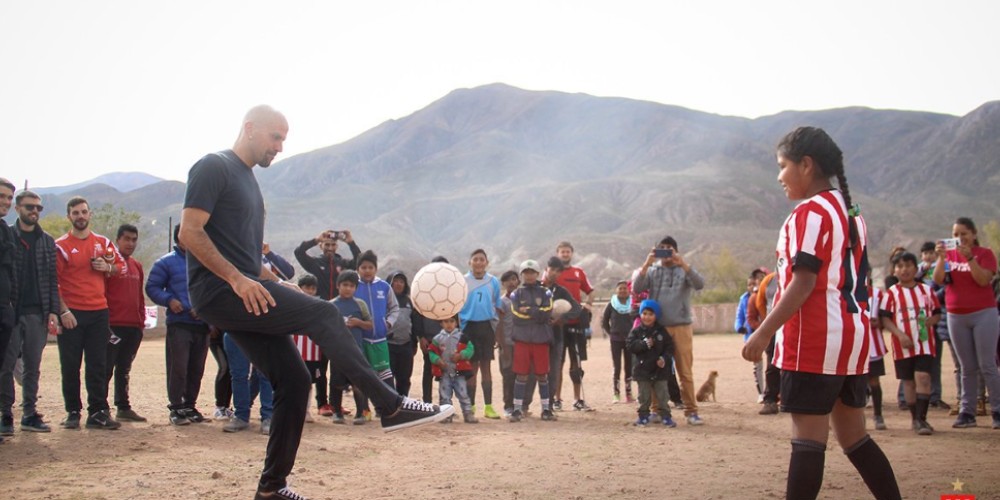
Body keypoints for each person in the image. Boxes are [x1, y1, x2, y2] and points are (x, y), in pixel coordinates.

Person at [179, 105, 451, 500]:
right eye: (276, 137)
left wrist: (279, 283)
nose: (280, 147)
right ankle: (390, 405)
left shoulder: (251, 185)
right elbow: (190, 232)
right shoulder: (213, 167)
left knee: (295, 379)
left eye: (284, 139)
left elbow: (246, 255)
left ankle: (271, 488)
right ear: (250, 129)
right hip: (220, 292)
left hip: (245, 291)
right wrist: (237, 280)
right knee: (325, 313)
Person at [742, 126, 900, 499]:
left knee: (808, 439)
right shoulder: (849, 211)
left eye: (783, 166)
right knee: (853, 436)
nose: (780, 176)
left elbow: (803, 282)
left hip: (815, 338)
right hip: (852, 337)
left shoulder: (809, 213)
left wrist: (764, 330)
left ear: (806, 165)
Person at [55, 196, 123, 431]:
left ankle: (98, 412)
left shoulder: (103, 242)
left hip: (98, 312)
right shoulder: (61, 246)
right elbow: (53, 283)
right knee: (70, 364)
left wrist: (108, 267)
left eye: (84, 212)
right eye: (75, 213)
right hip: (72, 313)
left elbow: (120, 267)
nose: (80, 216)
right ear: (69, 217)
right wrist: (63, 311)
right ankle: (73, 411)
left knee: (97, 364)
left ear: (90, 214)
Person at [932, 217, 1000, 429]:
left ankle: (997, 410)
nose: (960, 238)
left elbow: (983, 280)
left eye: (964, 233)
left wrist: (970, 259)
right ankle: (967, 412)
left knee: (987, 365)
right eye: (955, 234)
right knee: (966, 367)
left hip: (984, 314)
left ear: (974, 234)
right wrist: (941, 258)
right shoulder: (949, 256)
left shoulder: (985, 254)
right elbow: (937, 280)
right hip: (955, 316)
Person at [0, 189, 58, 436]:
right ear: (18, 209)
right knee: (6, 365)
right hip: (12, 312)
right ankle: (5, 415)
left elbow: (52, 278)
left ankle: (29, 414)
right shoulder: (7, 235)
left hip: (39, 313)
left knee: (32, 366)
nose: (34, 211)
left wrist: (54, 311)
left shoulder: (47, 240)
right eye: (29, 207)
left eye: (38, 208)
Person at [633, 235, 706, 425]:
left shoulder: (683, 270)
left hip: (681, 326)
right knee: (655, 369)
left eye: (669, 248)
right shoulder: (653, 271)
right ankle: (656, 410)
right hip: (658, 328)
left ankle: (691, 412)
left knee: (685, 371)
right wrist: (647, 263)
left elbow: (699, 284)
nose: (665, 252)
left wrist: (683, 263)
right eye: (661, 248)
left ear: (676, 251)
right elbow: (637, 287)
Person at [146, 224, 211, 426]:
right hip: (180, 324)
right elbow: (152, 287)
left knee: (196, 368)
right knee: (178, 368)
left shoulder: (206, 262)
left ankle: (190, 405)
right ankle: (176, 408)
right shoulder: (165, 263)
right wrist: (169, 300)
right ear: (180, 238)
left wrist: (204, 309)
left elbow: (213, 288)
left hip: (202, 324)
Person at [879, 252, 940, 435]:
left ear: (916, 268)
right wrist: (899, 335)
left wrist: (932, 321)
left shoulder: (927, 290)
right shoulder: (891, 293)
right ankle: (915, 419)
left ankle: (922, 419)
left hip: (925, 344)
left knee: (923, 377)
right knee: (908, 382)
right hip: (902, 346)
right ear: (895, 270)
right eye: (900, 266)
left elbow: (937, 312)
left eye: (908, 265)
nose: (904, 270)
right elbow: (885, 319)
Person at [104, 224, 147, 423]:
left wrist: (141, 321)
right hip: (113, 324)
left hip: (133, 326)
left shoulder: (137, 266)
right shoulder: (109, 264)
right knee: (106, 368)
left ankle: (123, 407)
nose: (130, 243)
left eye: (133, 239)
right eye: (127, 239)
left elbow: (139, 295)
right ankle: (100, 407)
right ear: (118, 240)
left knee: (124, 368)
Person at [508, 260, 556, 423]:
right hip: (522, 339)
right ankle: (517, 410)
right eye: (526, 272)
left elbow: (547, 313)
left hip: (541, 339)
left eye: (532, 272)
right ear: (522, 275)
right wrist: (538, 314)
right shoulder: (515, 294)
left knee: (542, 374)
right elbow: (516, 317)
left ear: (537, 274)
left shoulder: (546, 292)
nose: (529, 275)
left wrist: (529, 310)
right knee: (521, 375)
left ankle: (546, 409)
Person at [458, 249, 503, 419]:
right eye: (475, 259)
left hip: (486, 328)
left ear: (487, 262)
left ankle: (489, 407)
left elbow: (497, 306)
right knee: (471, 368)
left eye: (481, 259)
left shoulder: (493, 281)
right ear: (470, 262)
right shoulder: (462, 281)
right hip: (468, 328)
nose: (478, 262)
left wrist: (497, 333)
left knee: (486, 368)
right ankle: (471, 406)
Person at [554, 241, 596, 412]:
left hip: (576, 324)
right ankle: (556, 400)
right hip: (558, 326)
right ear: (557, 254)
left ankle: (577, 400)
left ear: (572, 253)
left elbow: (591, 291)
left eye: (568, 252)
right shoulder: (552, 273)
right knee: (557, 363)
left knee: (576, 363)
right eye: (562, 252)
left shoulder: (578, 273)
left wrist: (587, 305)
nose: (565, 254)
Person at [330, 270, 374, 425]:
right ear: (338, 286)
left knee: (358, 383)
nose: (348, 288)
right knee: (336, 383)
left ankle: (361, 413)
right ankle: (337, 412)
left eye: (351, 286)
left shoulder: (360, 304)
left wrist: (358, 323)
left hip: (356, 352)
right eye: (345, 285)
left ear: (355, 288)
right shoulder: (331, 305)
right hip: (337, 352)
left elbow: (370, 325)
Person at [627, 299, 677, 427]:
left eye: (650, 314)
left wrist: (664, 359)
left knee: (663, 394)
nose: (647, 317)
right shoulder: (636, 331)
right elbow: (630, 345)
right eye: (644, 313)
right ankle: (643, 416)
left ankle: (665, 416)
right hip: (642, 369)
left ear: (656, 316)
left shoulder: (662, 332)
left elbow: (670, 347)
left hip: (660, 370)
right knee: (644, 396)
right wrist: (643, 344)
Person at [355, 250, 397, 392]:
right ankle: (364, 411)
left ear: (376, 269)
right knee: (364, 376)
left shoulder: (384, 286)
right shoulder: (353, 287)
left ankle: (388, 408)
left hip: (380, 340)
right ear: (358, 269)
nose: (367, 271)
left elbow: (394, 308)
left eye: (370, 267)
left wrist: (388, 323)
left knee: (385, 375)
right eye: (363, 267)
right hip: (361, 341)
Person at [290, 274, 327, 421]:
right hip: (295, 349)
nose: (310, 291)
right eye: (307, 288)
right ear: (300, 288)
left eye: (313, 288)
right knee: (292, 381)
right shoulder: (292, 304)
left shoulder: (319, 306)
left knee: (309, 382)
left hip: (313, 351)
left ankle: (305, 411)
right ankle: (289, 410)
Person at [223, 329, 274, 435]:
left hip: (262, 330)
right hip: (235, 330)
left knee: (265, 375)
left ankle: (268, 417)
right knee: (238, 375)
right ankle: (241, 416)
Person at [0, 179, 21, 441]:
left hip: (4, 310)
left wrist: (11, 305)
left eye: (8, 198)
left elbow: (11, 271)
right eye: (2, 196)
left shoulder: (5, 230)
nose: (5, 202)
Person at [428, 315, 477, 423]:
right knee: (445, 395)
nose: (449, 324)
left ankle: (468, 413)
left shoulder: (462, 337)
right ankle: (446, 415)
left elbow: (470, 349)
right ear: (441, 323)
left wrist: (461, 355)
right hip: (445, 372)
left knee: (463, 393)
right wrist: (438, 361)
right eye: (446, 321)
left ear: (456, 323)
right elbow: (431, 352)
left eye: (452, 321)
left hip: (459, 372)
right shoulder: (438, 339)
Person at [294, 230, 360, 301]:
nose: (330, 248)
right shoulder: (314, 263)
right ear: (320, 246)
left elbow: (359, 261)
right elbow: (298, 252)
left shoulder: (343, 263)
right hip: (319, 305)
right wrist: (316, 240)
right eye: (327, 245)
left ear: (337, 246)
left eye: (333, 245)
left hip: (338, 305)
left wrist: (351, 243)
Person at [749, 271, 780, 415]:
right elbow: (760, 303)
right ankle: (770, 400)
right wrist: (768, 323)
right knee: (772, 363)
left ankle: (789, 399)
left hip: (796, 328)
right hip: (774, 328)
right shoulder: (769, 280)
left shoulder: (799, 274)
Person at [602, 280, 635, 403]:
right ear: (616, 290)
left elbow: (637, 320)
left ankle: (629, 394)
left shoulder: (632, 304)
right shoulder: (611, 304)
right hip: (615, 340)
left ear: (628, 290)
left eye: (624, 288)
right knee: (617, 367)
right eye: (620, 288)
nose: (622, 290)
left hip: (630, 340)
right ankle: (616, 394)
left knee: (629, 367)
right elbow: (605, 321)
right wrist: (611, 333)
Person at [386, 271, 416, 397]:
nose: (398, 284)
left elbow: (414, 323)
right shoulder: (384, 300)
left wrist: (414, 343)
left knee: (404, 377)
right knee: (387, 377)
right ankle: (387, 404)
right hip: (388, 345)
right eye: (395, 281)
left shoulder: (409, 301)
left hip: (406, 345)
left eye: (401, 281)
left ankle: (403, 403)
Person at [495, 270, 519, 416]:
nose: (511, 282)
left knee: (520, 376)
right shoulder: (501, 302)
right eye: (508, 280)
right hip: (507, 344)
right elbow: (499, 324)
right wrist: (503, 345)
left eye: (514, 279)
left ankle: (519, 405)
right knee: (508, 375)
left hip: (521, 343)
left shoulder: (522, 301)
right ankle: (508, 406)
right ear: (503, 284)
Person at [866, 276, 888, 430]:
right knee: (854, 383)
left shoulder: (877, 294)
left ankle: (878, 415)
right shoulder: (844, 291)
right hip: (852, 344)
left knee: (874, 381)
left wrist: (878, 322)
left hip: (873, 345)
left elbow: (886, 317)